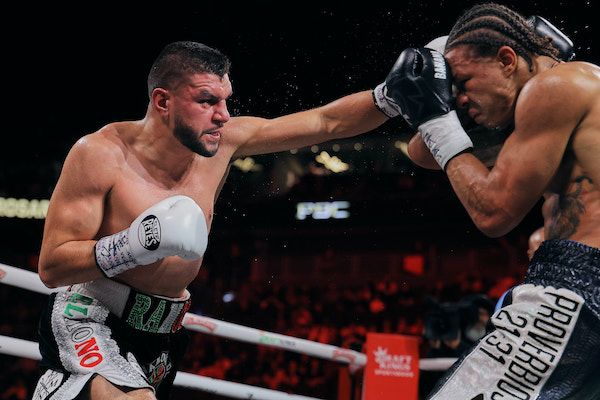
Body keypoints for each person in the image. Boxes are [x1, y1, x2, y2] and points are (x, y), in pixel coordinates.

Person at [33, 41, 393, 399]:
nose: (222, 114)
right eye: (207, 101)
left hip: (163, 333)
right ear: (162, 102)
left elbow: (325, 121)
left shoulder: (223, 144)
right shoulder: (100, 154)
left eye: (225, 100)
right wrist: (132, 244)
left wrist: (389, 98)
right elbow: (51, 267)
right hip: (91, 317)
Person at [387, 3, 600, 399]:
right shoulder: (575, 92)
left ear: (506, 59)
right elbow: (421, 152)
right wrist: (446, 112)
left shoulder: (552, 88)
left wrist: (436, 119)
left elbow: (493, 213)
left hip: (580, 284)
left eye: (464, 82)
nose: (458, 98)